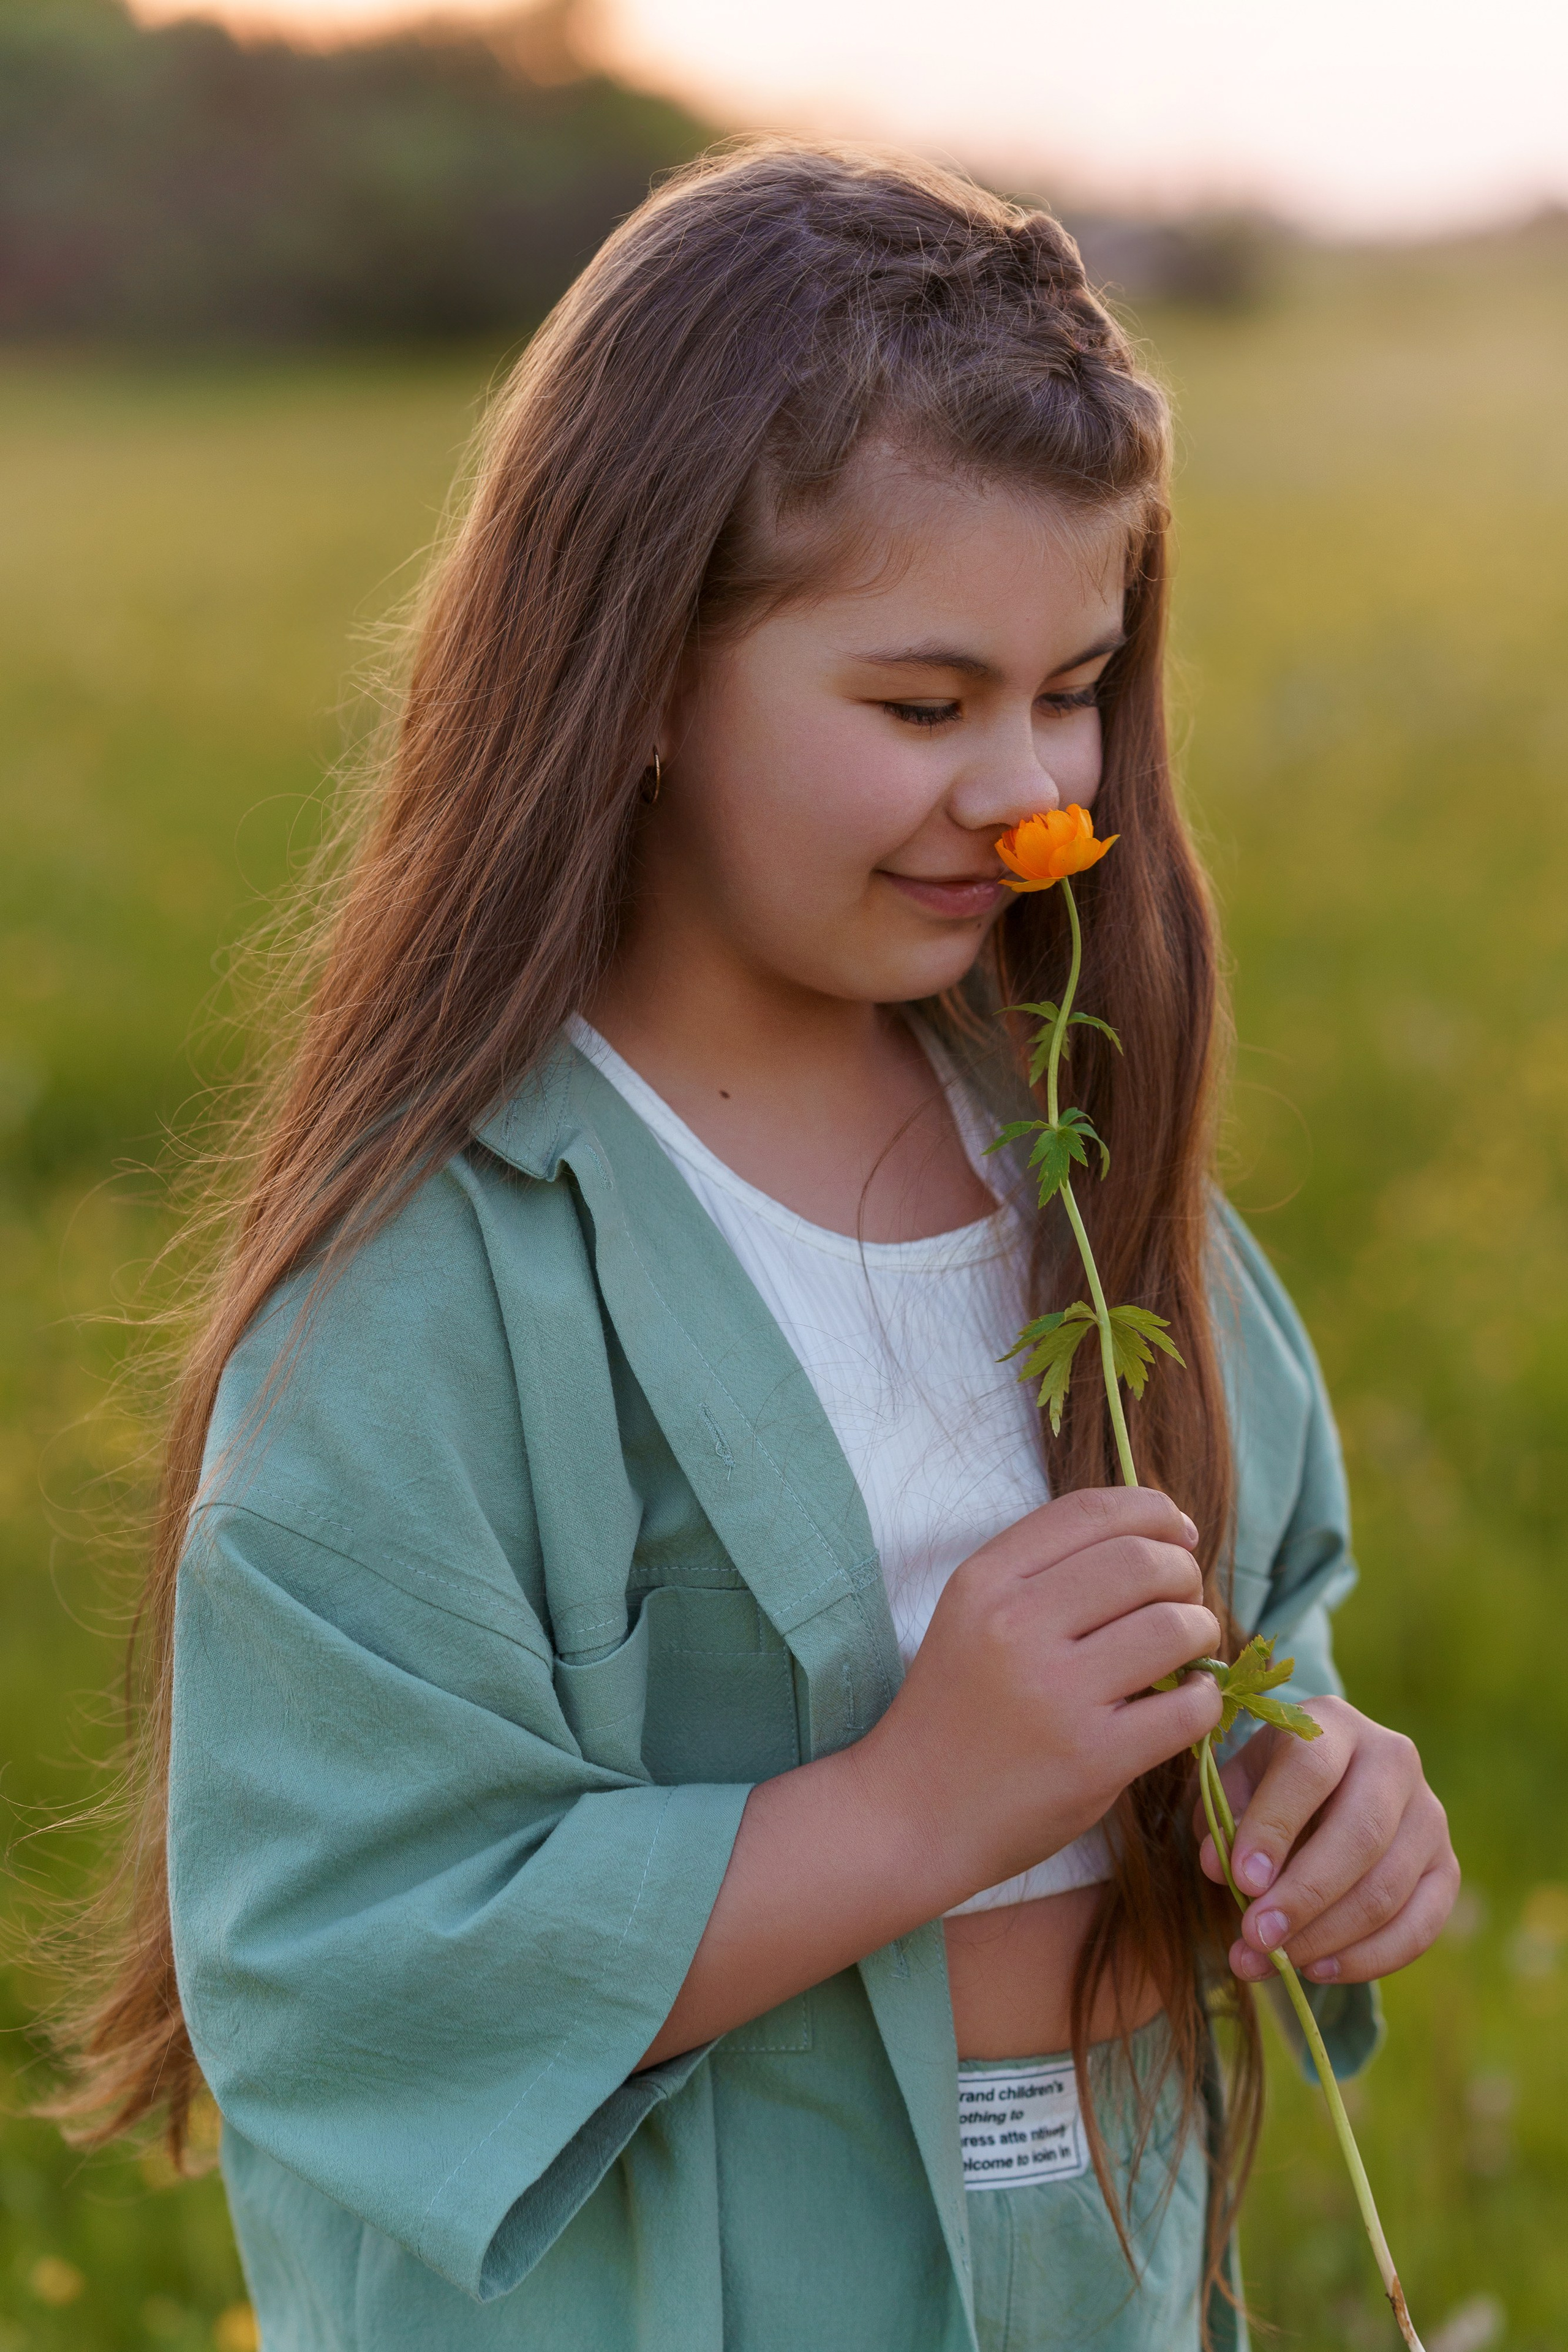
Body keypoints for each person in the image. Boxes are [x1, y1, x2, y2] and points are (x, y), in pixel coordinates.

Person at [58, 141, 1458, 2350]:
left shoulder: (1080, 1169)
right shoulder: (430, 1294)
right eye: (919, 707)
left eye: (1072, 683)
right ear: (630, 680)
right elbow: (343, 1963)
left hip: (1096, 2272)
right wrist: (921, 1803)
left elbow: (1260, 1619)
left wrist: (1320, 1790)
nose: (1023, 786)